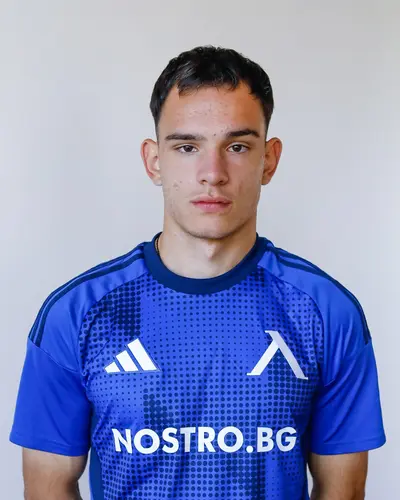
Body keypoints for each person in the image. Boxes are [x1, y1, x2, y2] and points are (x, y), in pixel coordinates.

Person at [10, 45, 386, 500]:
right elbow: (47, 486)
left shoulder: (326, 312)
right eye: (187, 147)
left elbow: (343, 491)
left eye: (237, 146)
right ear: (154, 161)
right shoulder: (76, 314)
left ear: (269, 160)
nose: (213, 173)